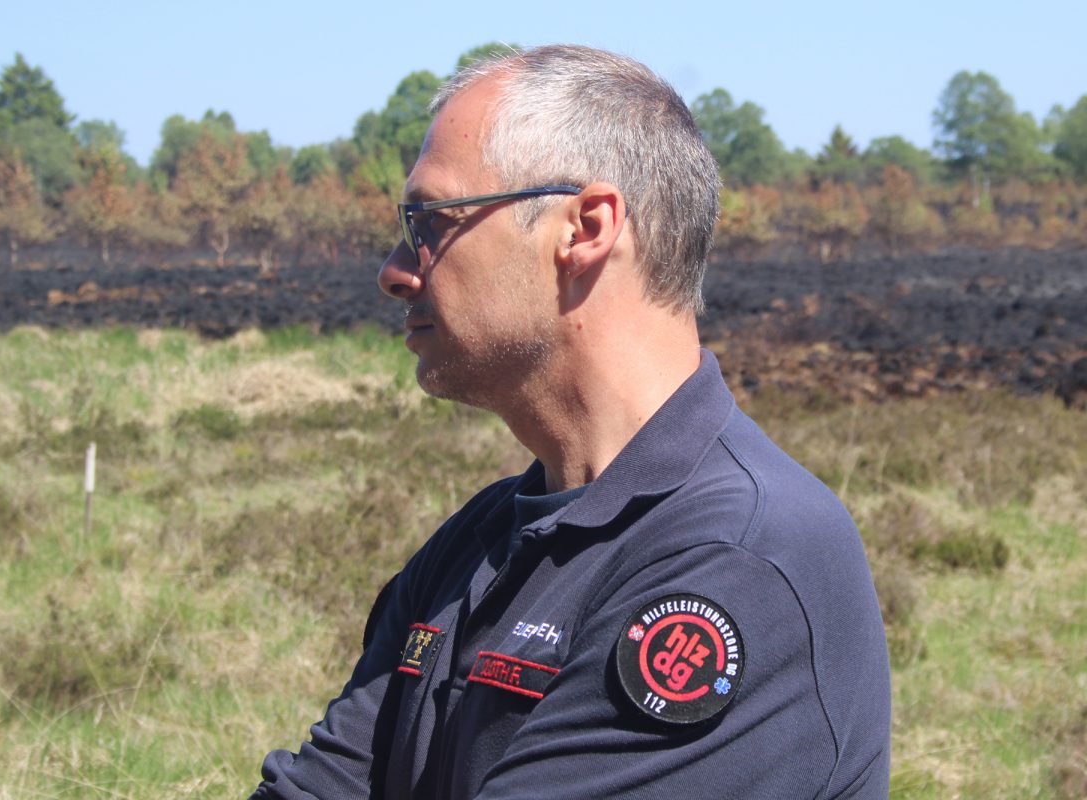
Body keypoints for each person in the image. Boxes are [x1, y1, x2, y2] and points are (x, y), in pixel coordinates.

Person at [250, 44, 890, 799]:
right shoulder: (480, 541)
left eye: (430, 220)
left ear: (585, 228)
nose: (395, 270)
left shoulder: (741, 563)